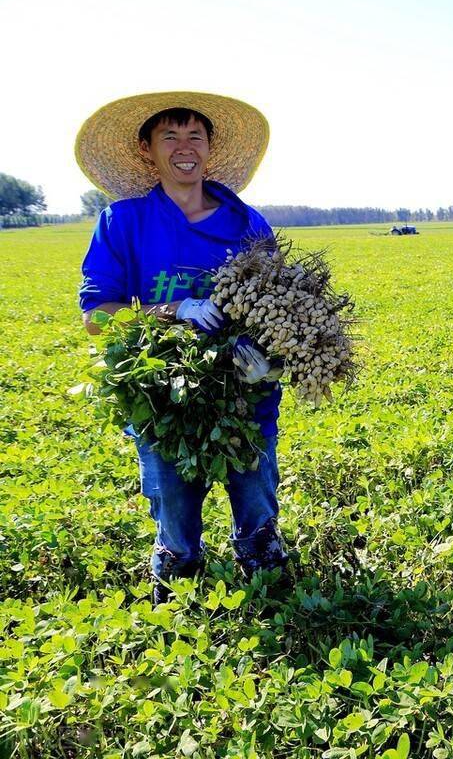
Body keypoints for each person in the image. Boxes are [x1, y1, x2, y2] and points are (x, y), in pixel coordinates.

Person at [76, 92, 288, 603]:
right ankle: (178, 561)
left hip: (242, 387)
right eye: (169, 135)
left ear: (211, 149)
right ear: (148, 150)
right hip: (161, 393)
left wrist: (272, 363)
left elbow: (284, 305)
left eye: (195, 135)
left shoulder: (246, 223)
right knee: (171, 489)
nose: (184, 146)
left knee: (253, 482)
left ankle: (261, 555)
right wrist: (173, 311)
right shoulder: (124, 221)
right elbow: (96, 316)